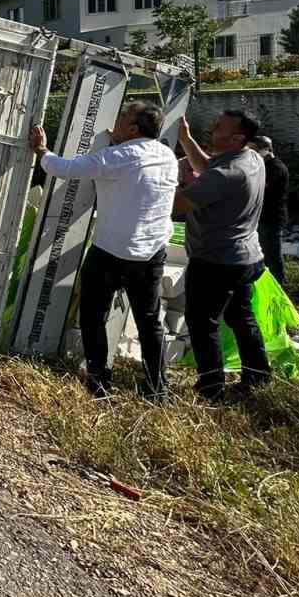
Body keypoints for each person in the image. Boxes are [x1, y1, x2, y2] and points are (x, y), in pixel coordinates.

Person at [28, 101, 178, 400]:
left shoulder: (117, 156)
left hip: (113, 251)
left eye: (123, 117)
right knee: (150, 322)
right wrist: (118, 141)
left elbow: (64, 168)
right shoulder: (167, 155)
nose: (117, 120)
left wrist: (42, 151)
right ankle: (157, 389)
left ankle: (99, 381)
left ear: (134, 128)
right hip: (152, 252)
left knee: (94, 314)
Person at [176, 111, 273, 403]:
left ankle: (211, 389)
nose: (212, 128)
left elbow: (177, 206)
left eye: (219, 127)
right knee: (241, 316)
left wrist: (161, 176)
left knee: (202, 322)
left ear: (237, 138)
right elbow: (206, 167)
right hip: (245, 257)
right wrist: (186, 139)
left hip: (216, 262)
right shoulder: (252, 158)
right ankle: (258, 377)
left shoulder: (227, 174)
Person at [248, 135, 288, 285]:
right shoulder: (262, 166)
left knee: (272, 255)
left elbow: (260, 186)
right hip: (261, 217)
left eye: (254, 150)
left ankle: (280, 285)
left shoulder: (276, 167)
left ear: (266, 150)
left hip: (272, 218)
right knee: (261, 254)